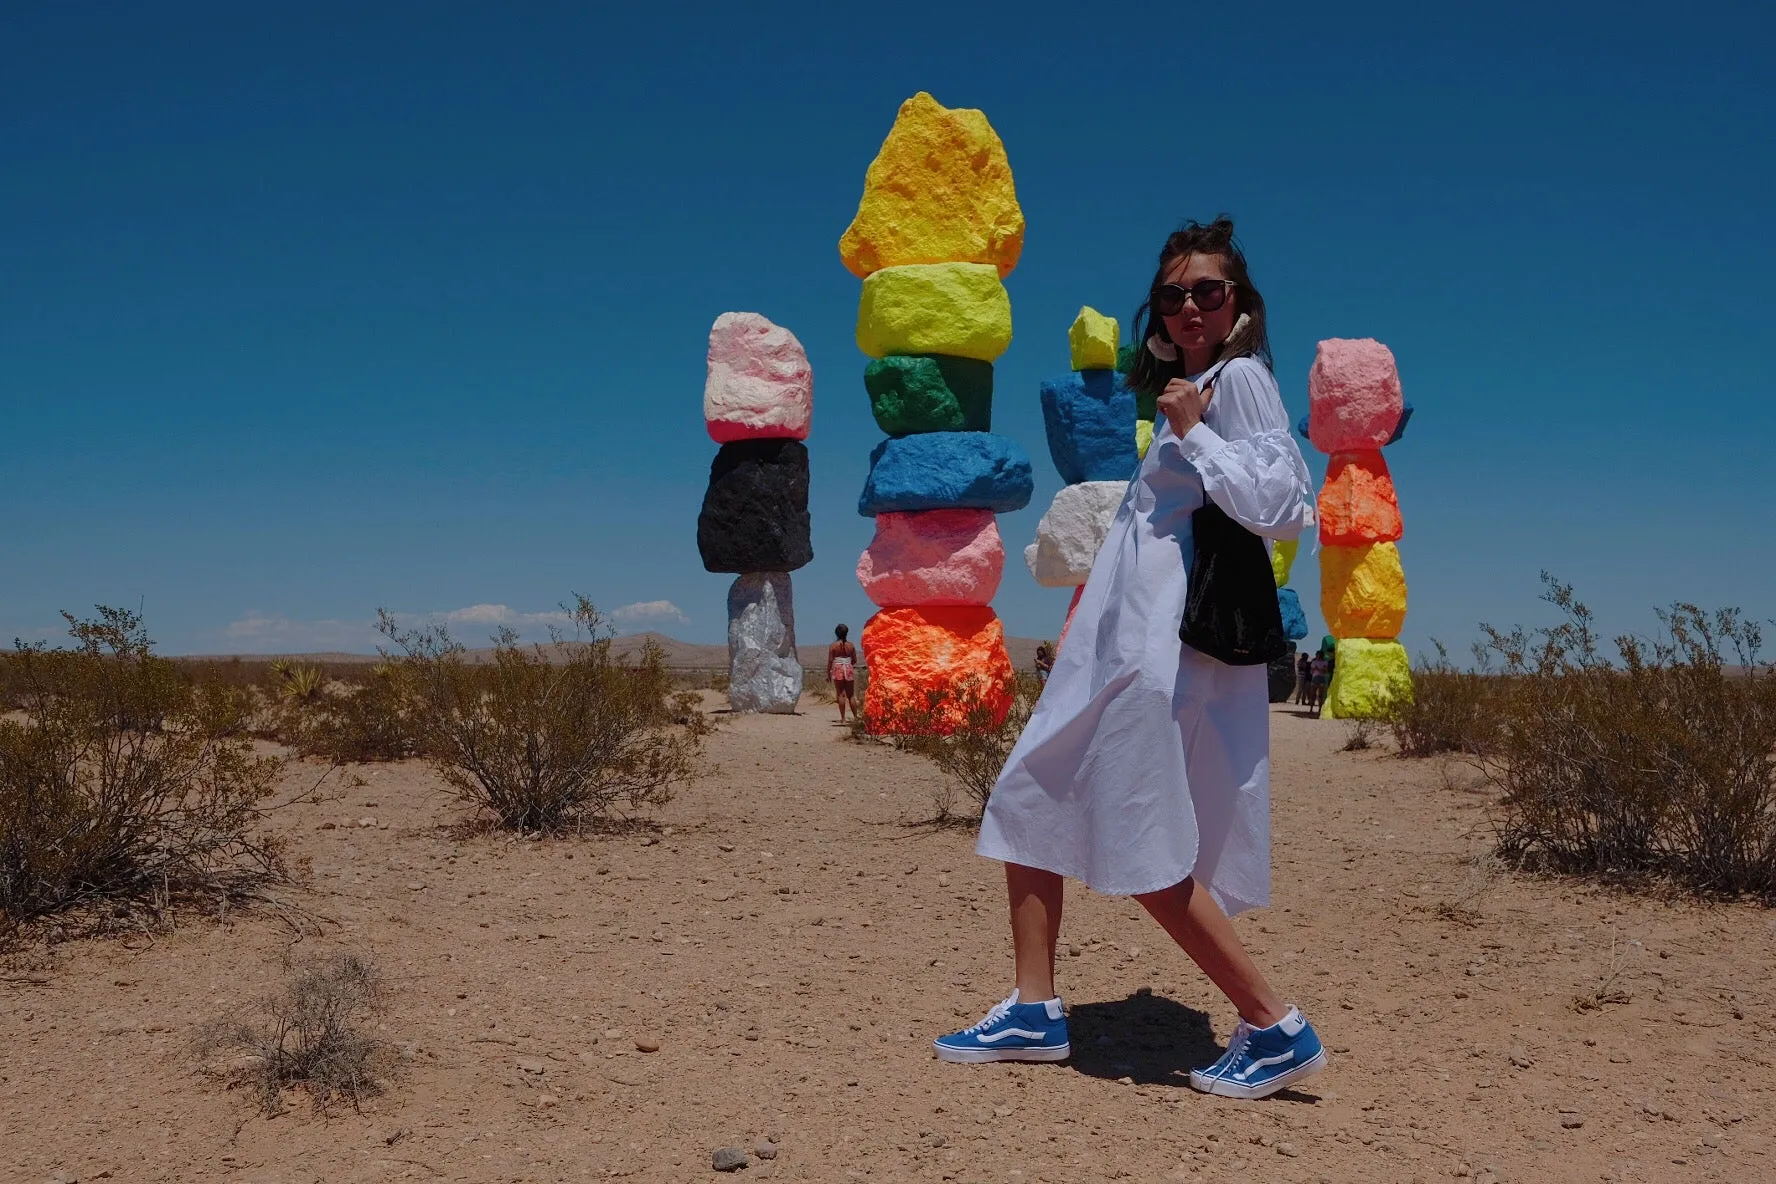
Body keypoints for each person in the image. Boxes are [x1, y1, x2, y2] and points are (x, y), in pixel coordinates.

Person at [934, 217, 1327, 1100]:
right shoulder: (1198, 383)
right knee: (1033, 790)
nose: (1190, 306)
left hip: (1163, 649)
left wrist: (1195, 429)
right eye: (1174, 295)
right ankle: (1035, 1008)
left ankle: (1272, 1023)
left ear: (1241, 306)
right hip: (1124, 638)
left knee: (1136, 826)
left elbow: (1286, 501)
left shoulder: (1239, 383)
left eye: (1209, 292)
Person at [827, 625, 857, 723]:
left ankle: (843, 718)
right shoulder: (851, 645)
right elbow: (854, 660)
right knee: (851, 695)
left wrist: (828, 673)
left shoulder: (833, 646)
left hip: (838, 668)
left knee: (840, 694)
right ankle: (856, 717)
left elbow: (830, 661)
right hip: (848, 667)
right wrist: (848, 665)